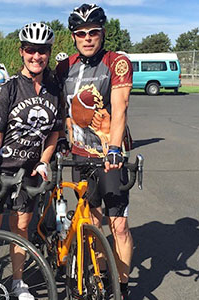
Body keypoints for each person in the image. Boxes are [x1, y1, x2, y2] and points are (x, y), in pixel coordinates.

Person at [0, 22, 62, 300]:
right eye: (31, 50)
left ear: (49, 52)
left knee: (21, 228)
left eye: (43, 50)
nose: (37, 56)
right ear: (22, 52)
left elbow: (54, 133)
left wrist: (44, 161)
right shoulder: (8, 89)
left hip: (29, 173)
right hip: (1, 170)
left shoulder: (53, 90)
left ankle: (18, 282)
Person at [56, 4, 133, 299]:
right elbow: (63, 106)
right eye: (80, 33)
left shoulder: (116, 62)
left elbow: (121, 105)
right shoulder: (66, 67)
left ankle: (122, 288)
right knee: (93, 223)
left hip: (108, 157)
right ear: (74, 36)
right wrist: (62, 138)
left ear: (102, 33)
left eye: (93, 32)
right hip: (79, 157)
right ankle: (102, 280)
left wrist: (114, 148)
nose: (87, 38)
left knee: (120, 225)